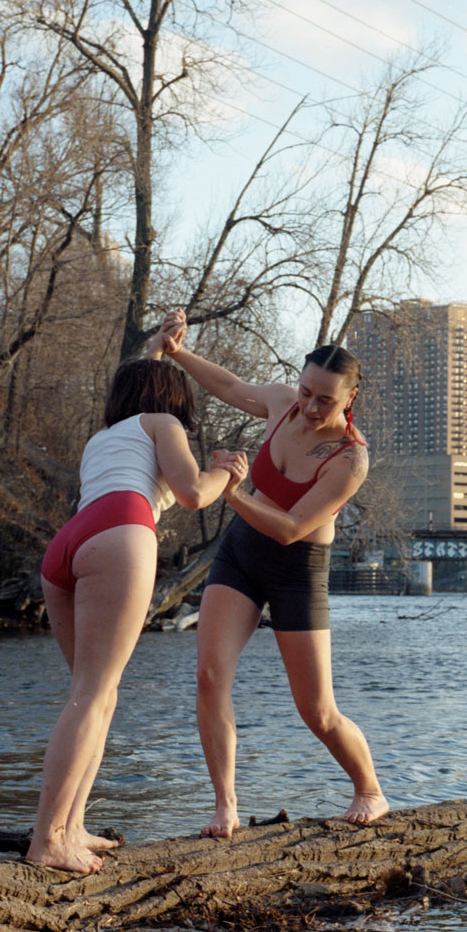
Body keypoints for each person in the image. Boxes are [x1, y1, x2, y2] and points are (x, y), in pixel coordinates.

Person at [147, 313, 389, 837]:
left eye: (326, 399)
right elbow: (231, 385)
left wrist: (230, 491)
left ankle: (370, 790)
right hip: (241, 554)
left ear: (349, 399)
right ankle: (225, 806)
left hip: (297, 569)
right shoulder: (282, 403)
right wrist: (177, 353)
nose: (309, 405)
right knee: (210, 677)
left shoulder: (351, 459)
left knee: (317, 711)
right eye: (305, 391)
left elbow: (292, 528)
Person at [29, 343, 246, 875]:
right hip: (119, 534)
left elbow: (141, 381)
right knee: (93, 694)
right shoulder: (162, 422)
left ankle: (71, 825)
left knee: (97, 696)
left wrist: (160, 352)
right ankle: (47, 838)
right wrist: (229, 473)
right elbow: (194, 492)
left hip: (67, 546)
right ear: (171, 399)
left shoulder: (103, 438)